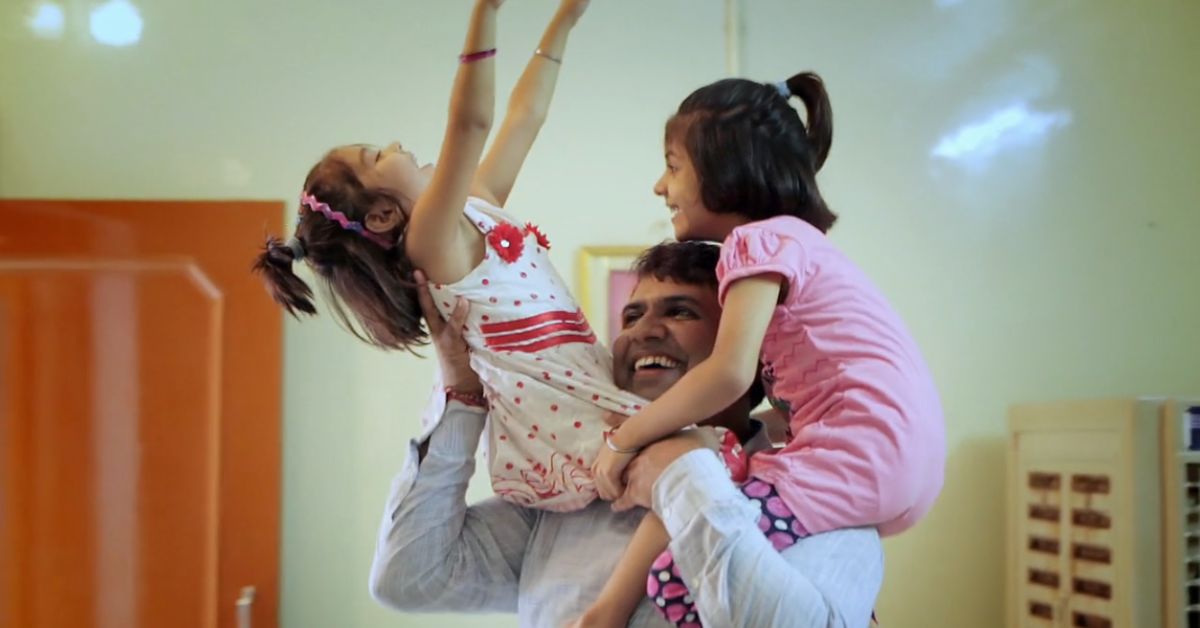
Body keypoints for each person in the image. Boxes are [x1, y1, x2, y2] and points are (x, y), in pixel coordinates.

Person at [370, 241, 884, 628]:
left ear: (751, 350)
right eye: (633, 315)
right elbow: (411, 577)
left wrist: (684, 475)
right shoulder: (569, 493)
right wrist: (463, 393)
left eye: (681, 311)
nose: (642, 331)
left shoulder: (826, 497)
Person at [589, 73, 946, 625]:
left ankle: (604, 614)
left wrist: (622, 440)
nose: (661, 186)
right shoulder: (805, 244)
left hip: (853, 455)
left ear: (725, 166)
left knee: (671, 577)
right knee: (720, 478)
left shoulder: (755, 242)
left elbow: (729, 373)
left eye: (673, 165)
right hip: (903, 463)